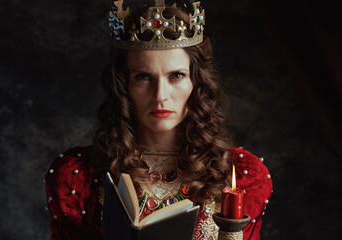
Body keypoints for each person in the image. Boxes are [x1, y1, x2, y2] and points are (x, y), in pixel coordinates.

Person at [44, 0, 272, 239]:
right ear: (124, 85)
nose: (160, 95)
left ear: (196, 83)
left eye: (176, 76)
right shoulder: (79, 177)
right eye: (144, 77)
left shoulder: (242, 176)